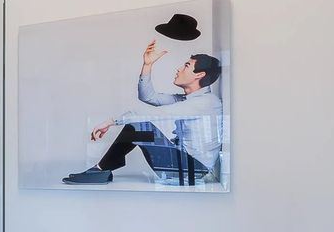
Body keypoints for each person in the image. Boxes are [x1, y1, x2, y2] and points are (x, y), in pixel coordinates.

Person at [64, 39, 223, 185]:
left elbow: (152, 114)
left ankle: (101, 170)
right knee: (138, 126)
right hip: (186, 163)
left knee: (140, 126)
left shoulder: (206, 102)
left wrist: (110, 121)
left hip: (192, 171)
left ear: (200, 74)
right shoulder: (187, 99)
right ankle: (102, 170)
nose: (179, 69)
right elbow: (148, 97)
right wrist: (147, 65)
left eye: (186, 66)